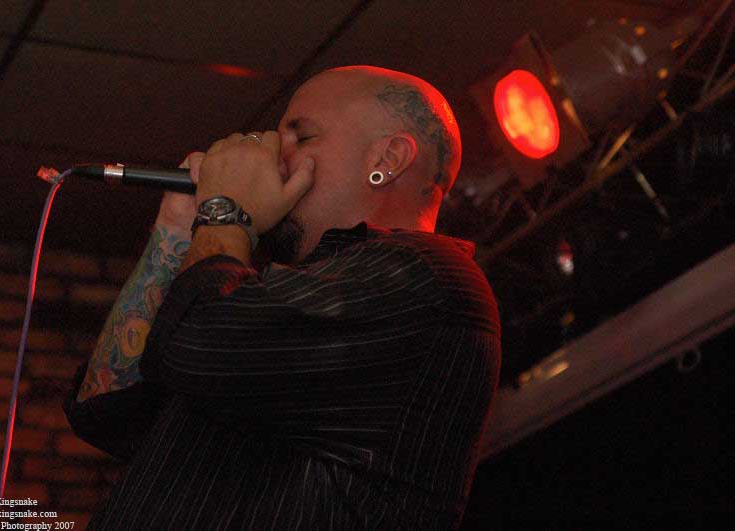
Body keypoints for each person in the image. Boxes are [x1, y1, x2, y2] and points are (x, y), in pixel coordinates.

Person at [64, 65, 501, 529]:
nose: (273, 155)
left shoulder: (428, 279)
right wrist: (176, 227)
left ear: (387, 159)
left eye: (301, 136)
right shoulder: (265, 295)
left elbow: (202, 346)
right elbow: (106, 412)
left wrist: (225, 211)